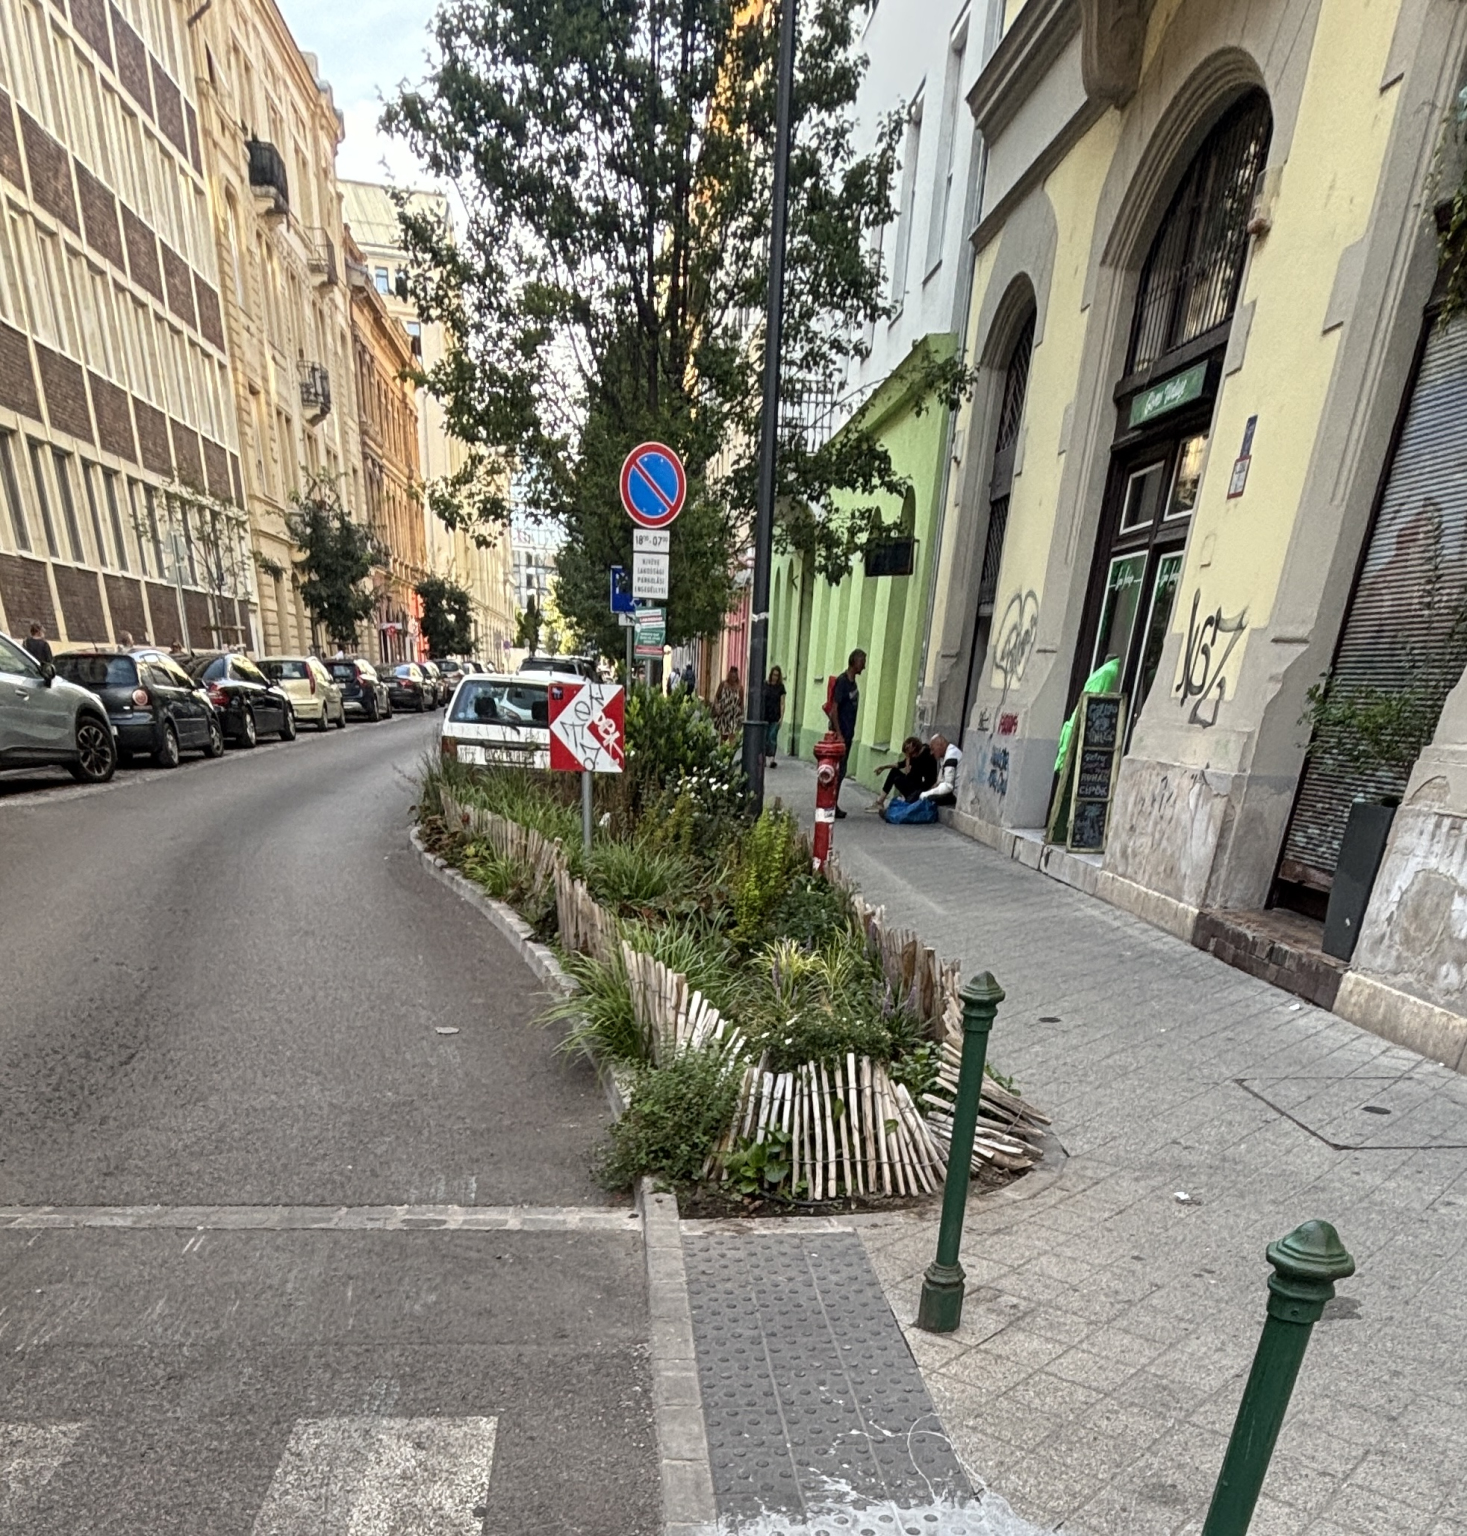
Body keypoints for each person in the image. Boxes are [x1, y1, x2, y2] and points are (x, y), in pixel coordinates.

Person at [823, 648, 866, 818]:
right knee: (837, 770)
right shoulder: (843, 682)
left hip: (848, 733)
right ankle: (830, 804)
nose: (864, 666)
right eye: (862, 662)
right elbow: (834, 709)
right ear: (854, 662)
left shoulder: (853, 683)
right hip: (840, 734)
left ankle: (833, 803)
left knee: (841, 771)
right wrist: (839, 733)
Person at [871, 736, 936, 815]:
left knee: (897, 779)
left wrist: (908, 757)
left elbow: (909, 775)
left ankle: (880, 803)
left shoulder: (924, 758)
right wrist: (883, 767)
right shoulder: (916, 753)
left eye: (909, 752)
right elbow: (900, 764)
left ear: (914, 747)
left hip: (919, 790)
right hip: (916, 785)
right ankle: (880, 802)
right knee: (894, 771)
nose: (910, 756)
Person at [921, 733, 963, 804]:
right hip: (950, 791)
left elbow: (948, 786)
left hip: (955, 795)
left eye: (933, 749)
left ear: (940, 745)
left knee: (927, 799)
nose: (931, 753)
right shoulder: (944, 755)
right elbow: (941, 780)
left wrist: (927, 794)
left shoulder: (951, 755)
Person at [763, 665, 786, 768]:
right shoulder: (765, 685)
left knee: (772, 737)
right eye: (773, 675)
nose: (775, 677)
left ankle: (772, 759)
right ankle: (763, 758)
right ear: (771, 674)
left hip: (775, 716)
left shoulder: (781, 687)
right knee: (764, 738)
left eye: (777, 675)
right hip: (765, 715)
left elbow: (782, 703)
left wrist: (781, 717)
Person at [712, 665, 743, 741]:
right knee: (723, 736)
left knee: (732, 736)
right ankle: (723, 748)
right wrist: (717, 707)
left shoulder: (739, 688)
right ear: (729, 675)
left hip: (734, 715)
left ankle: (730, 748)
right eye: (732, 675)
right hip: (723, 715)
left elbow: (741, 702)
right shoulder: (723, 685)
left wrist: (741, 716)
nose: (733, 677)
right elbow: (716, 697)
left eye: (735, 676)